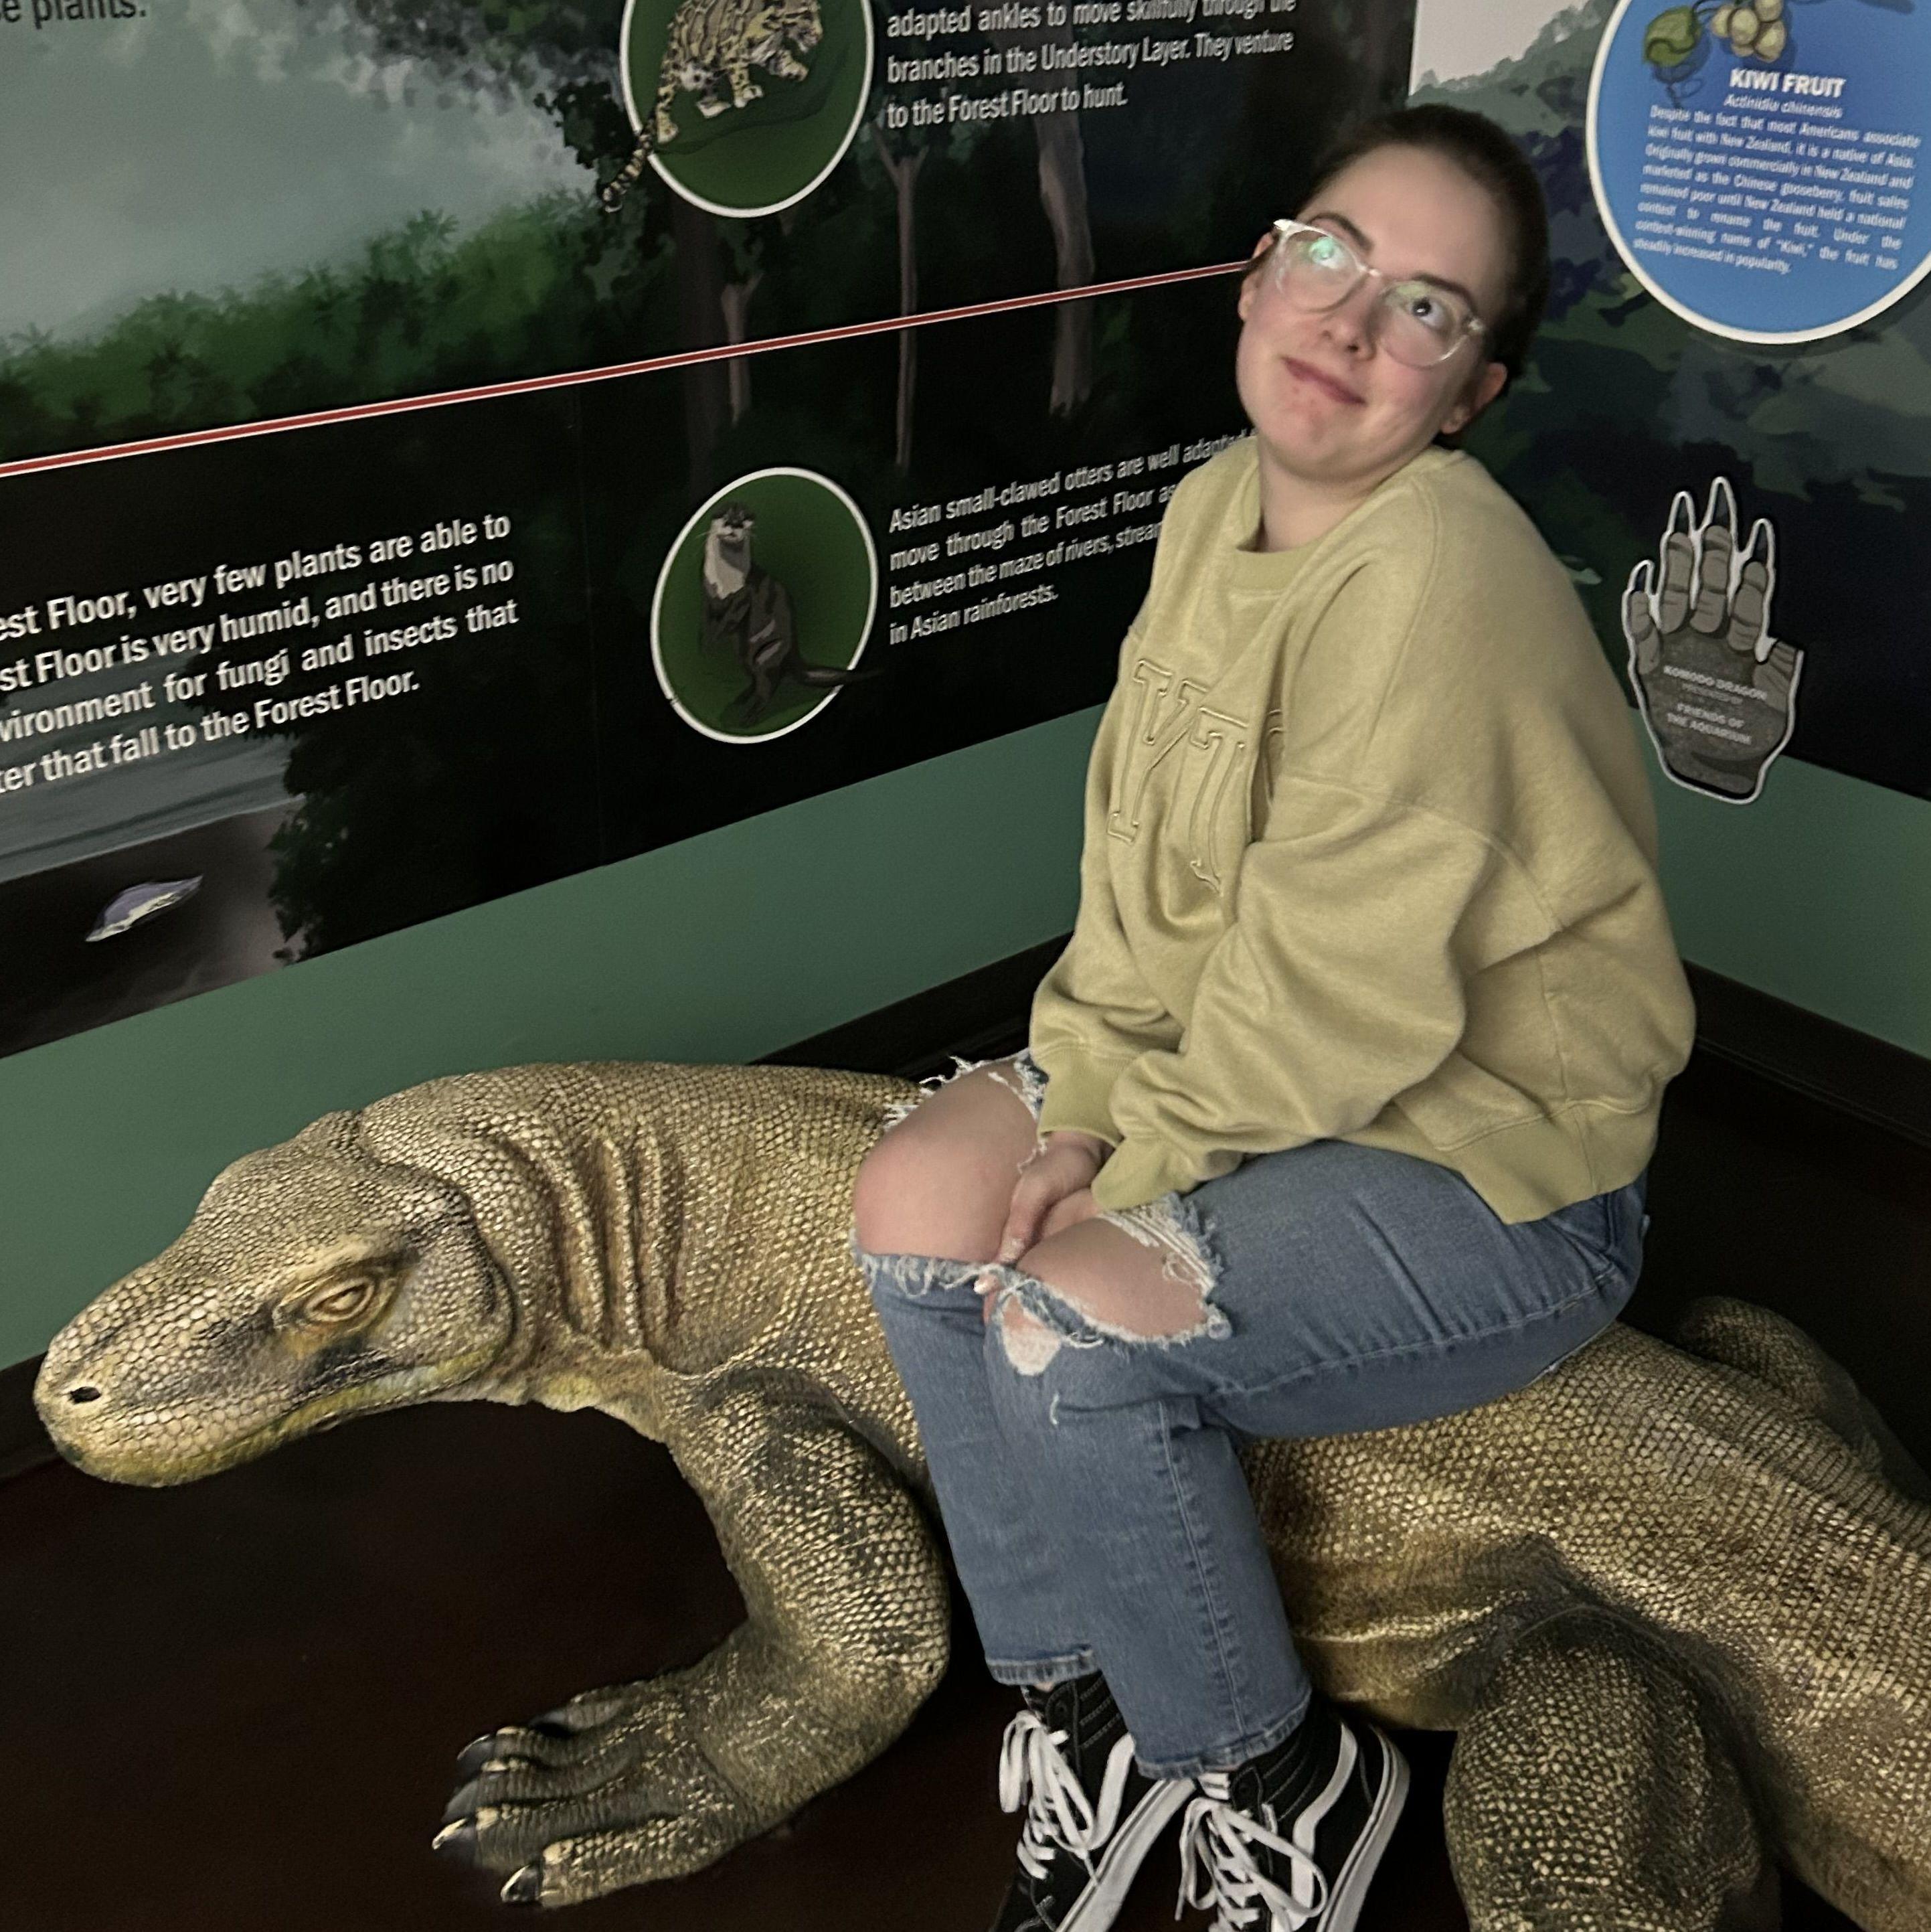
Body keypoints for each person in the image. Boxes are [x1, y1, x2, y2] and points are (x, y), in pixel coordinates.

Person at [850, 102, 1695, 1932]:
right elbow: (1154, 886)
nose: (1353, 322)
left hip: (1493, 1163)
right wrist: (1073, 1086)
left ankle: (1277, 1779)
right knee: (915, 1208)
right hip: (1270, 1071)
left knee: (1069, 1327)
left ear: (1469, 391)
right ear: (1260, 269)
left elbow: (1339, 993)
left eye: (1429, 311)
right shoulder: (1212, 505)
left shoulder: (1438, 577)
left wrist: (1111, 1165)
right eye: (1330, 256)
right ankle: (1075, 1706)